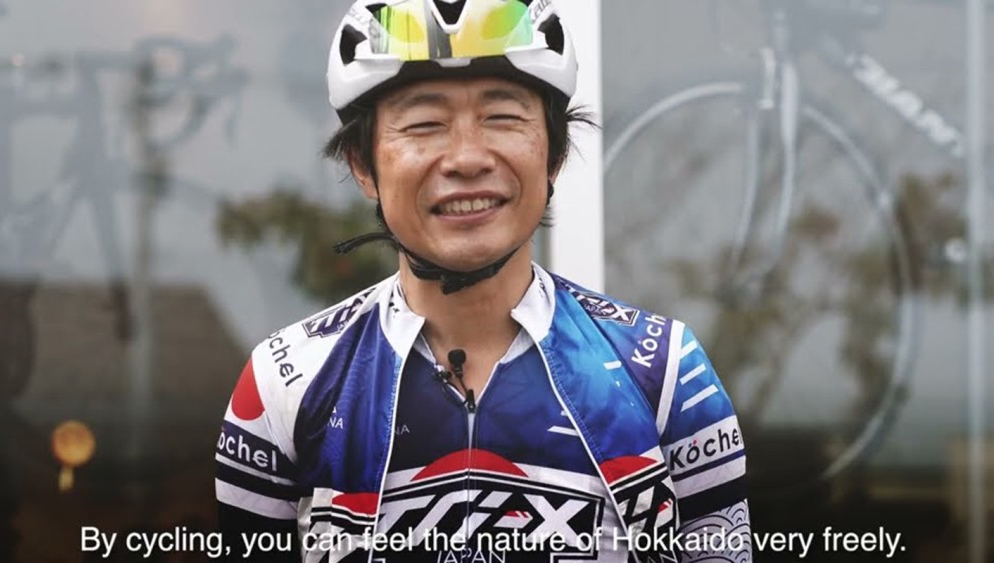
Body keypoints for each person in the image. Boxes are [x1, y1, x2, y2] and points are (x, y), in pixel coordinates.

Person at [215, 1, 752, 561]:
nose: (467, 159)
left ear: (555, 153)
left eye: (503, 117)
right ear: (361, 163)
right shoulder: (285, 382)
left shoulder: (664, 372)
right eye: (424, 124)